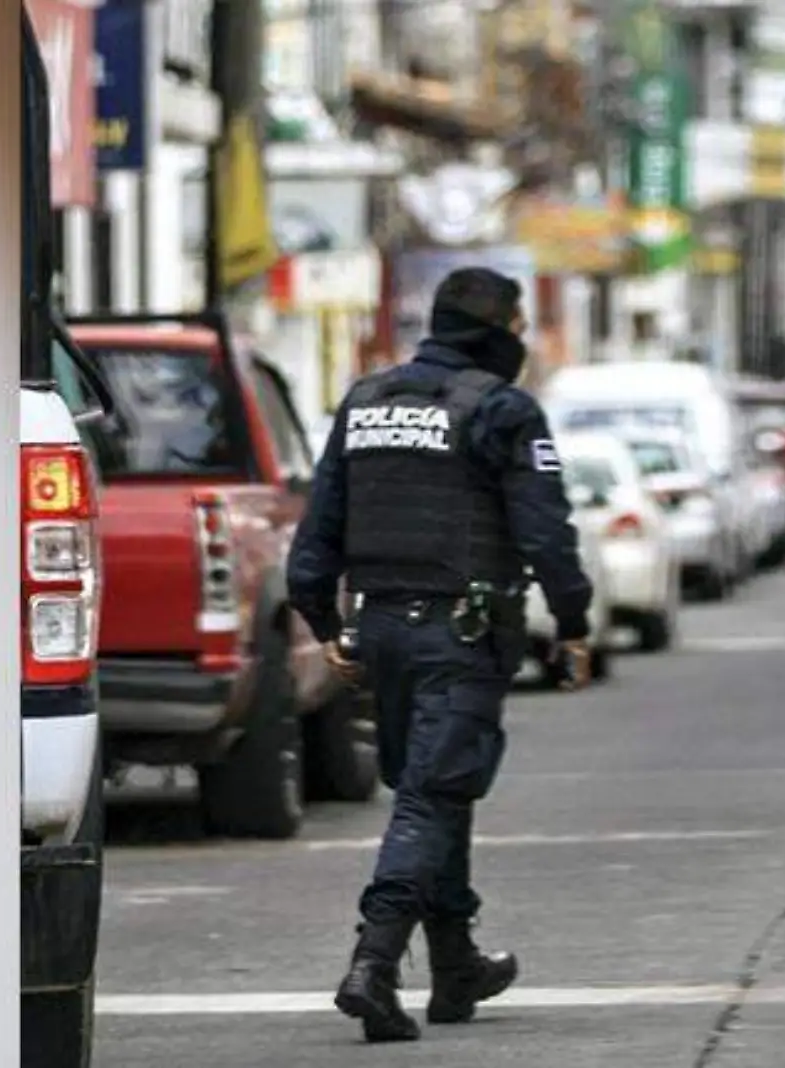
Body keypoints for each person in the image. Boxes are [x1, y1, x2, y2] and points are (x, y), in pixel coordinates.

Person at [286, 267, 597, 1044]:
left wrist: (323, 616)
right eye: (519, 327)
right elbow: (545, 530)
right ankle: (374, 963)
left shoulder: (365, 403)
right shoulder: (502, 409)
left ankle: (456, 966)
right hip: (462, 632)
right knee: (430, 795)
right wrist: (573, 622)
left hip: (383, 631)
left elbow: (320, 523)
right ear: (498, 331)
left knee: (437, 790)